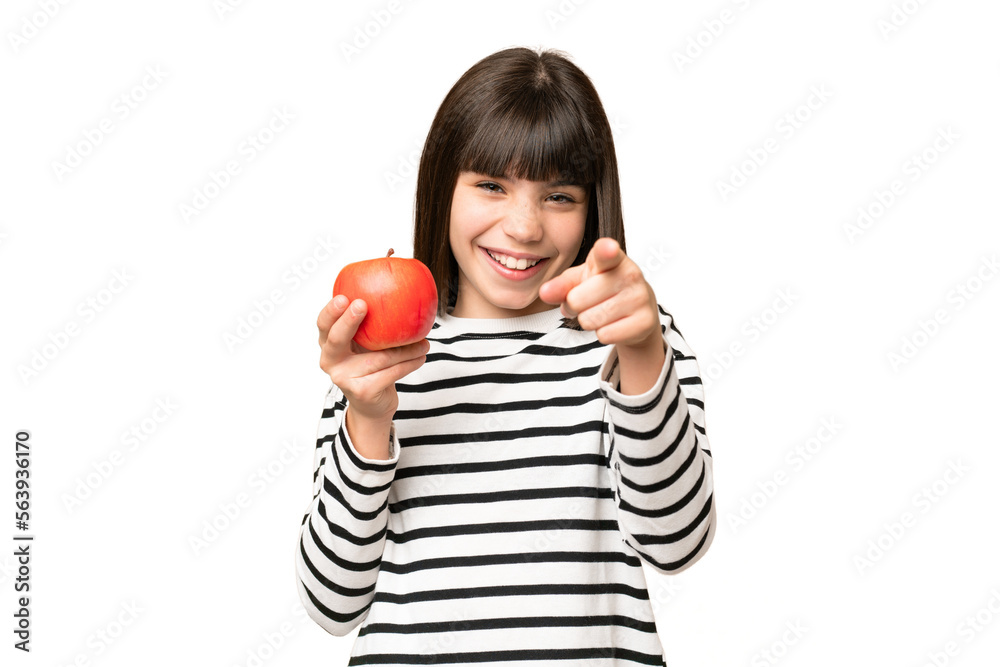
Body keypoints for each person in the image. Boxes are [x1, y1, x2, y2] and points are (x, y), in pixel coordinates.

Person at [295, 46, 715, 666]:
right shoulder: (379, 359)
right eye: (491, 185)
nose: (523, 227)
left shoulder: (628, 338)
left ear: (592, 208)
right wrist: (370, 418)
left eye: (559, 196)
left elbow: (675, 542)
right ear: (442, 188)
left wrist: (643, 351)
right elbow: (332, 603)